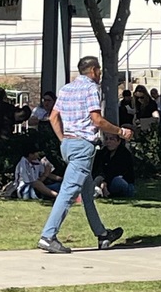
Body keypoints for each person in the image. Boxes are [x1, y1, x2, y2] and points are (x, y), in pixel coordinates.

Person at [38, 55, 133, 254]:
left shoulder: (66, 89)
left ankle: (102, 234)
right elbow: (96, 119)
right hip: (82, 146)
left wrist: (63, 139)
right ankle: (48, 235)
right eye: (98, 71)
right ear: (93, 71)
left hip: (68, 145)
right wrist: (120, 132)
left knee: (87, 192)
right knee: (68, 192)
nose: (99, 74)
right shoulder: (91, 88)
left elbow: (53, 116)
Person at [93, 133, 136, 198]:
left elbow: (118, 172)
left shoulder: (125, 154)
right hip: (105, 180)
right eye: (106, 139)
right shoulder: (103, 152)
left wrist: (105, 182)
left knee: (118, 181)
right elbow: (97, 168)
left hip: (121, 181)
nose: (108, 141)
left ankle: (107, 192)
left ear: (118, 141)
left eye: (111, 139)